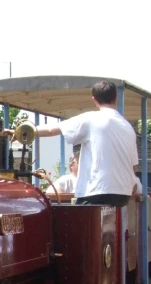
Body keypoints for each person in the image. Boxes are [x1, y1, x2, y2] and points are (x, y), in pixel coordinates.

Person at [34, 80, 138, 208]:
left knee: (77, 226)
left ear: (94, 99)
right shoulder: (127, 127)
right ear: (116, 97)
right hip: (123, 194)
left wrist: (20, 132)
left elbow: (51, 130)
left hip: (97, 190)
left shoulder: (91, 119)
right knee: (109, 228)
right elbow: (132, 166)